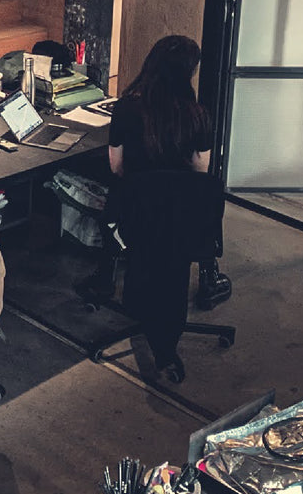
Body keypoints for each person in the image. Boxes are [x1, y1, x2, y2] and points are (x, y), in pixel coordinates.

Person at [79, 35, 226, 310]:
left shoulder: (126, 108)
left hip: (136, 214)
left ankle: (105, 276)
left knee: (116, 191)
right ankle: (209, 277)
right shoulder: (198, 115)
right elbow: (200, 172)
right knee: (203, 200)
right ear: (188, 73)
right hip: (182, 219)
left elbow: (116, 167)